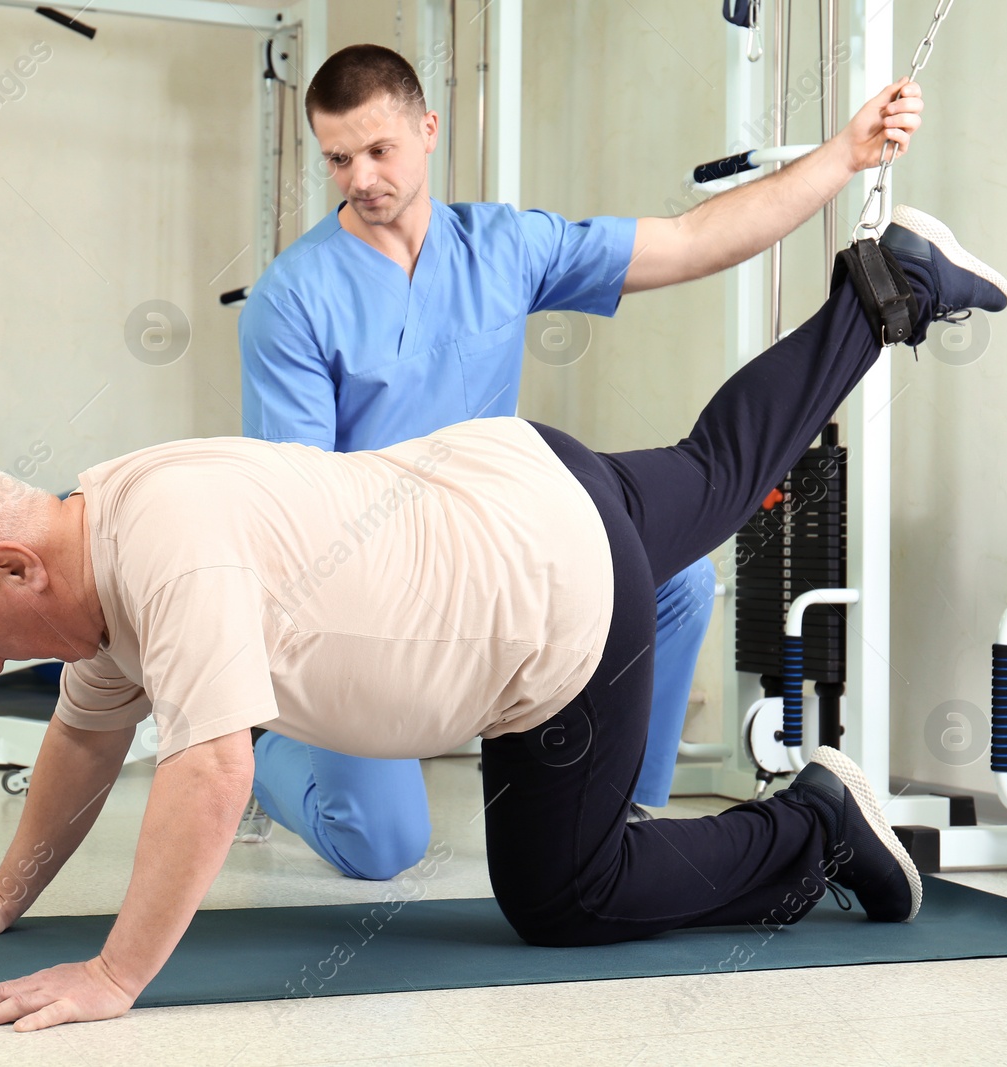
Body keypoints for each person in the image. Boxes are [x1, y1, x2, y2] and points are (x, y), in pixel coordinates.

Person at [0, 206, 1007, 1032]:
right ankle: (881, 295)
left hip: (550, 597)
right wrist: (3, 893)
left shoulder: (167, 544)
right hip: (513, 477)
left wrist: (114, 974)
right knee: (717, 475)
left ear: (17, 563)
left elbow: (212, 770)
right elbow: (82, 735)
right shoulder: (105, 518)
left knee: (567, 895)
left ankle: (813, 822)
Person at [237, 45, 925, 876]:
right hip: (376, 592)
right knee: (381, 848)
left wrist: (846, 154)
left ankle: (623, 807)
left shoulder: (501, 245)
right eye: (338, 159)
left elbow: (688, 241)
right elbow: (296, 504)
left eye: (378, 151)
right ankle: (263, 753)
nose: (359, 178)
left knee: (677, 582)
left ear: (427, 131)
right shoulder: (293, 297)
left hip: (493, 554)